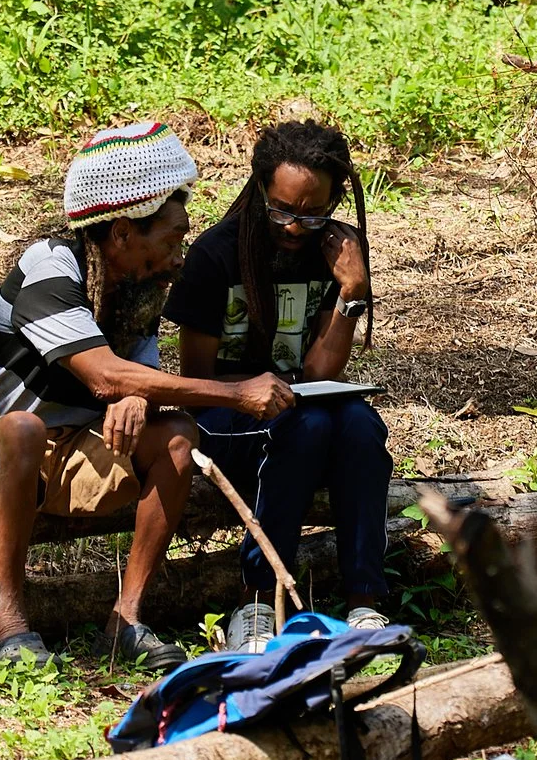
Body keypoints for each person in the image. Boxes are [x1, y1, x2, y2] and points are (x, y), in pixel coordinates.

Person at [0, 121, 295, 670]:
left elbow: (130, 384)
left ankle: (125, 620)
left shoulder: (136, 289)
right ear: (123, 232)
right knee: (24, 429)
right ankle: (9, 624)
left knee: (176, 438)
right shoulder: (50, 267)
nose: (179, 257)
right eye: (170, 240)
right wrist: (234, 392)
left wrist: (135, 398)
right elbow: (105, 374)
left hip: (72, 447)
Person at [165, 119, 390, 652]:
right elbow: (195, 378)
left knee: (360, 426)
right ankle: (260, 600)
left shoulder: (336, 255)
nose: (294, 226)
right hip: (221, 410)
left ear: (336, 199)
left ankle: (366, 600)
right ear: (261, 188)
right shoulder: (215, 255)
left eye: (314, 214)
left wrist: (352, 290)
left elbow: (319, 374)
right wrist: (258, 387)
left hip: (296, 401)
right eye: (283, 209)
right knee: (304, 427)